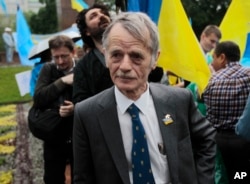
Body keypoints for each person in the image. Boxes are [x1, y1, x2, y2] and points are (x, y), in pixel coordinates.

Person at [73, 12, 216, 184]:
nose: (125, 66)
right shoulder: (87, 114)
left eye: (136, 56)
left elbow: (207, 139)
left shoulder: (179, 101)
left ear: (155, 59)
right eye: (116, 55)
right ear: (106, 56)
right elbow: (83, 178)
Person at [203, 41, 250, 183]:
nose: (212, 61)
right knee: (241, 175)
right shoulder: (249, 75)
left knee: (223, 176)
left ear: (222, 57)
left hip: (218, 141)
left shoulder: (212, 80)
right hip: (244, 141)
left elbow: (208, 111)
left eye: (214, 57)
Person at [33, 35, 76, 184]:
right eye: (55, 57)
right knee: (53, 176)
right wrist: (62, 81)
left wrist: (75, 108)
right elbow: (38, 98)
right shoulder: (48, 69)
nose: (60, 61)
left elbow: (94, 97)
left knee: (80, 174)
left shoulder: (83, 68)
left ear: (73, 52)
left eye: (64, 56)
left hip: (77, 132)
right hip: (54, 133)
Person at [73, 3, 114, 104]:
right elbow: (81, 102)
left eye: (104, 13)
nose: (101, 15)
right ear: (87, 31)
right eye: (93, 16)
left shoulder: (132, 48)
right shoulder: (83, 67)